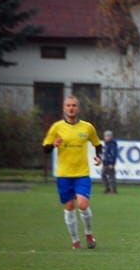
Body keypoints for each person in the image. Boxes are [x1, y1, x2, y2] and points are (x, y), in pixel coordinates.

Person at [42, 95, 102, 249]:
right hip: (64, 175)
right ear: (64, 108)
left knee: (82, 204)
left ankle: (88, 233)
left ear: (78, 108)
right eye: (68, 105)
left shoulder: (87, 127)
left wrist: (98, 156)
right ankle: (75, 240)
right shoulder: (57, 127)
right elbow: (45, 149)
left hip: (82, 174)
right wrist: (53, 144)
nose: (71, 108)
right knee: (69, 207)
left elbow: (97, 143)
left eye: (74, 105)